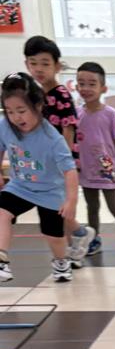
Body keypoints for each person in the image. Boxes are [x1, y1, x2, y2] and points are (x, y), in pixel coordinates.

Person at [23, 36, 95, 265]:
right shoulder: (35, 94)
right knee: (54, 208)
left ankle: (78, 239)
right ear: (27, 65)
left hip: (62, 162)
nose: (39, 69)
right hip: (44, 161)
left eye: (45, 63)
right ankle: (75, 243)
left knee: (59, 208)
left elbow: (68, 130)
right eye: (33, 63)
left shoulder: (60, 94)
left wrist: (63, 162)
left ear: (57, 66)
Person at [0, 72, 78, 283]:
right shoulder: (5, 126)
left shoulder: (52, 138)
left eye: (21, 111)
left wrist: (71, 201)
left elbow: (70, 170)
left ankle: (61, 261)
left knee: (54, 236)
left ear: (38, 106)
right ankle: (2, 260)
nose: (16, 117)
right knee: (2, 212)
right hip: (19, 186)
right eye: (9, 111)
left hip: (50, 191)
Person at [75, 62, 115, 258]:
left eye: (92, 84)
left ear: (103, 88)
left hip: (107, 170)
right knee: (92, 207)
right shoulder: (76, 114)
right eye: (81, 83)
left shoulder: (111, 114)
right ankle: (94, 240)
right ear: (76, 87)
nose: (86, 88)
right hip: (86, 171)